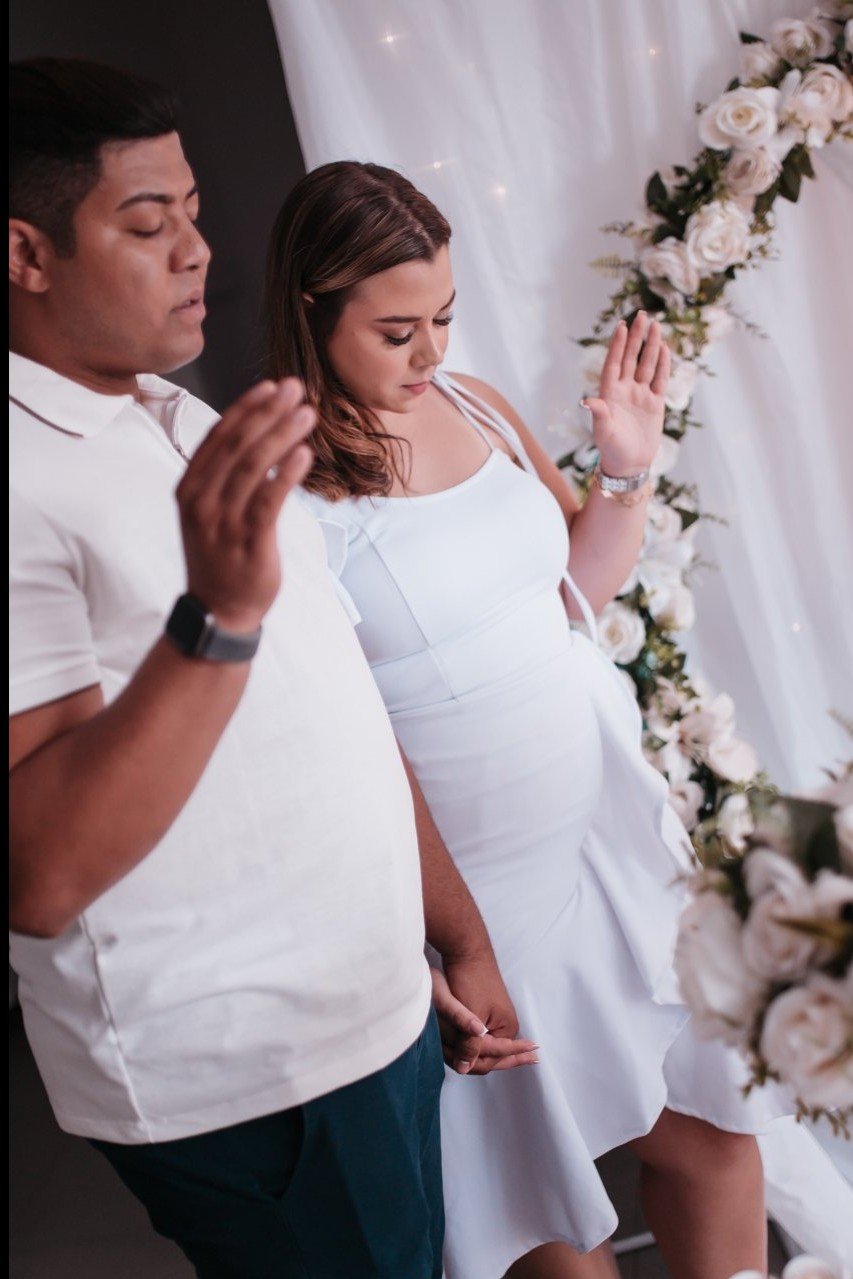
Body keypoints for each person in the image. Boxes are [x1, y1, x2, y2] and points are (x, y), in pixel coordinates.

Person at [266, 161, 848, 1279]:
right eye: (396, 331)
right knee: (542, 1218)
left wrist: (626, 469)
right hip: (474, 897)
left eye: (442, 317)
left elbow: (575, 590)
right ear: (310, 309)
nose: (429, 352)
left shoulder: (473, 404)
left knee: (716, 1137)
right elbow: (320, 751)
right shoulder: (289, 492)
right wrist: (428, 942)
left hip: (599, 848)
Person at [8, 60, 533, 1279]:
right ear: (26, 253)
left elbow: (331, 699)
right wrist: (217, 619)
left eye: (192, 211)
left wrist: (443, 933)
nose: (197, 250)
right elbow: (39, 872)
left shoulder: (178, 414)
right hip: (253, 1076)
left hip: (371, 1011)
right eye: (148, 224)